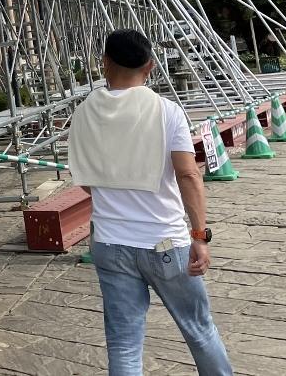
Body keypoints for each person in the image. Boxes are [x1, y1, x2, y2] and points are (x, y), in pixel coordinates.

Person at [67, 29, 232, 376]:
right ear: (150, 67)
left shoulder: (82, 114)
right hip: (165, 241)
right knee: (199, 330)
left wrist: (114, 201)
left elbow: (83, 179)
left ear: (104, 63)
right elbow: (188, 175)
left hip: (110, 243)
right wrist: (200, 236)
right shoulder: (166, 111)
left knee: (124, 345)